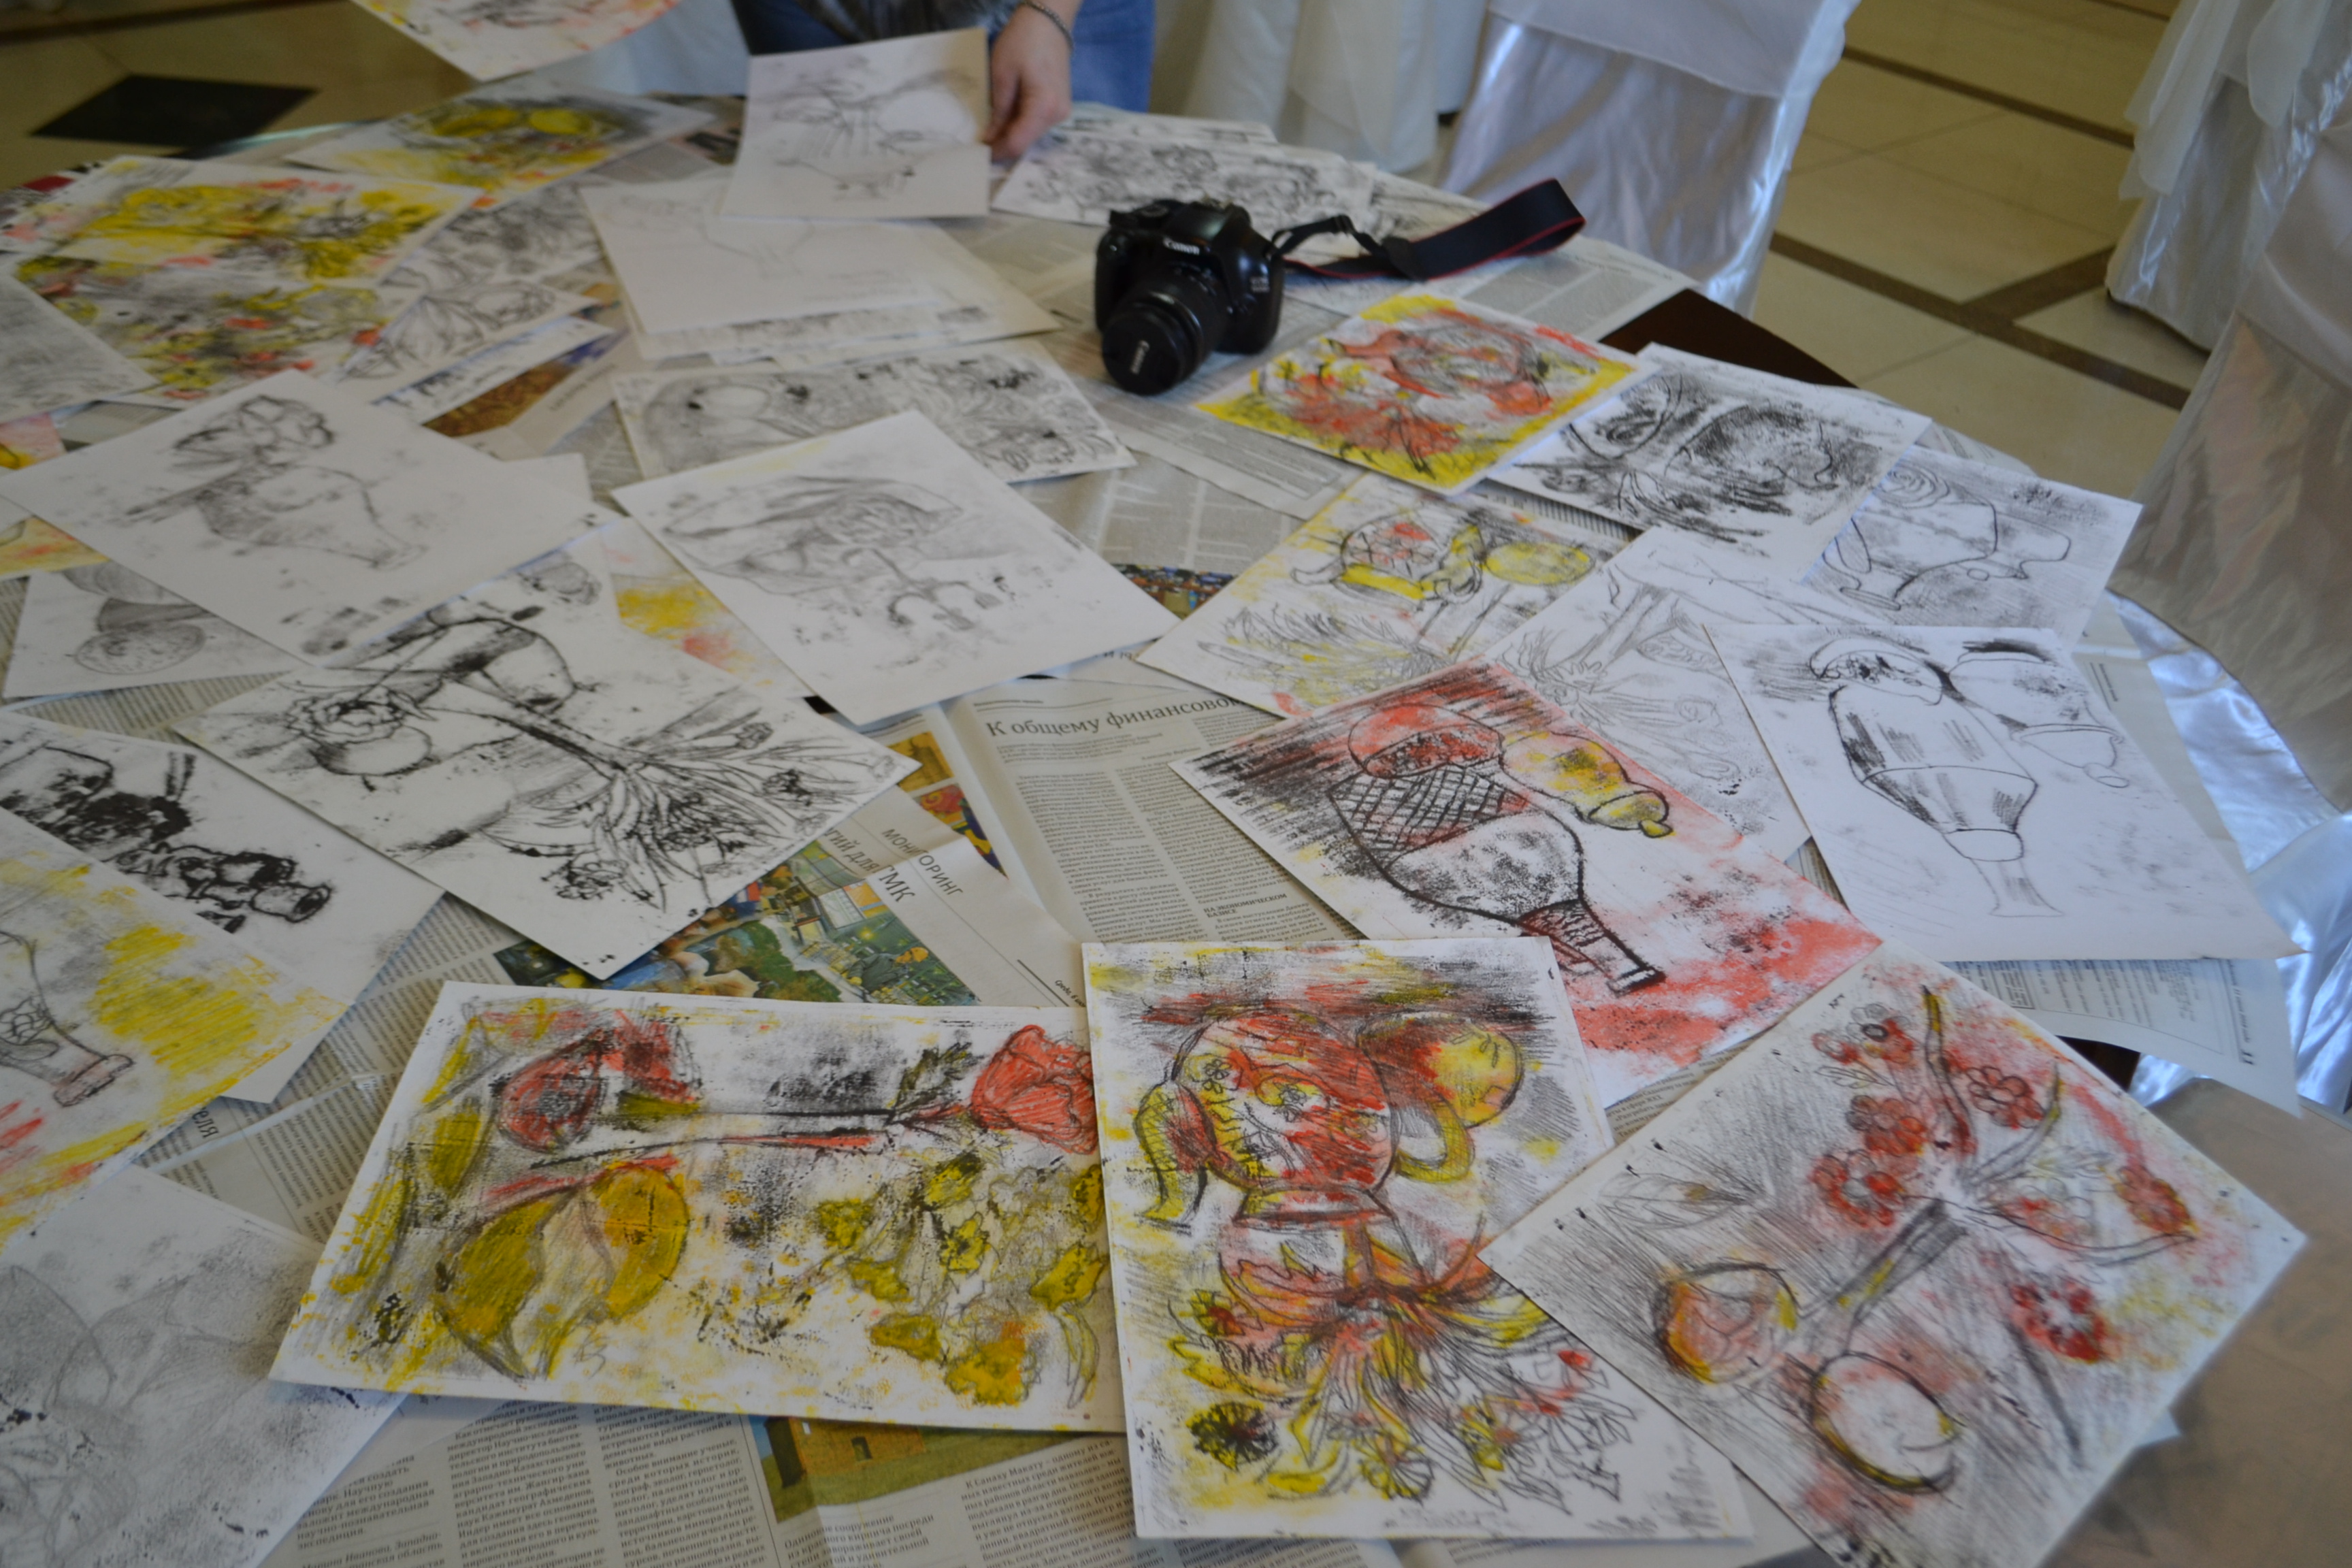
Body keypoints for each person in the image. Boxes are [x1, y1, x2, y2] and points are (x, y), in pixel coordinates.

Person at [729, 0, 1157, 161]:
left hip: (1032, 11)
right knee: (815, 205)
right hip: (812, 8)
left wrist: (1051, 12)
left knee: (1065, 239)